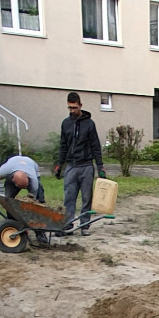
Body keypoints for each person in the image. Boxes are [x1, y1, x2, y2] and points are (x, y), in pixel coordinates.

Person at [54, 92, 106, 234]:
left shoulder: (89, 124)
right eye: (70, 108)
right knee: (69, 197)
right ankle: (68, 224)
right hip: (71, 166)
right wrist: (59, 164)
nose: (72, 111)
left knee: (86, 197)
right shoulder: (66, 124)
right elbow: (63, 145)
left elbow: (95, 145)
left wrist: (100, 166)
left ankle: (85, 226)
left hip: (86, 166)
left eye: (74, 108)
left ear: (80, 105)